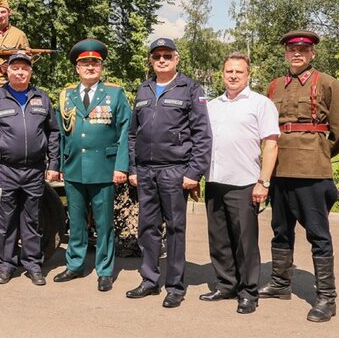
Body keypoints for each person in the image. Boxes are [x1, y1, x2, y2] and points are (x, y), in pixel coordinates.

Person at [259, 30, 339, 323]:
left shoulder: (326, 83)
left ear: (312, 53)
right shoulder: (274, 86)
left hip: (312, 171)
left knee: (318, 234)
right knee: (280, 229)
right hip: (279, 170)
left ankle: (327, 297)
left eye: (303, 49)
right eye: (292, 49)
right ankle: (280, 283)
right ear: (285, 53)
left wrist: (320, 150)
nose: (297, 53)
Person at [126, 38, 212, 308]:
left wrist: (194, 172)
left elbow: (202, 134)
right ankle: (149, 280)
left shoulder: (190, 89)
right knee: (147, 227)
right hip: (146, 171)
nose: (161, 60)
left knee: (175, 228)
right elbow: (132, 134)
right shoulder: (143, 89)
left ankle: (174, 285)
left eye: (166, 55)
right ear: (151, 61)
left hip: (175, 171)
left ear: (176, 59)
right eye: (156, 56)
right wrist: (133, 168)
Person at [52, 39, 131, 292]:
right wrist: (60, 164)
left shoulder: (115, 94)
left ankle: (105, 270)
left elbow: (125, 132)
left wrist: (121, 167)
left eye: (94, 63)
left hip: (104, 169)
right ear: (77, 68)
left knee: (103, 223)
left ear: (101, 67)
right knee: (75, 221)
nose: (90, 67)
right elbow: (61, 134)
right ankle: (75, 264)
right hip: (74, 168)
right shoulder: (67, 95)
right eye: (84, 63)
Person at [203, 52, 280, 314]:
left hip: (245, 182)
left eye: (239, 71)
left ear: (248, 75)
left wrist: (264, 182)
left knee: (245, 243)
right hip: (214, 181)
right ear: (221, 74)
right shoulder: (212, 105)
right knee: (219, 239)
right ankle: (226, 285)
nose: (233, 75)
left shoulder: (261, 104)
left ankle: (248, 292)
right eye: (229, 71)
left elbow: (270, 145)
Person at [0, 52, 59, 286]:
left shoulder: (42, 98)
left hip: (34, 170)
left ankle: (33, 265)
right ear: (8, 71)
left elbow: (53, 133)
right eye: (15, 68)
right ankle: (7, 265)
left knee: (32, 219)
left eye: (25, 68)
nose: (20, 72)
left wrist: (53, 163)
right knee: (6, 220)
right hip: (5, 170)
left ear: (30, 72)